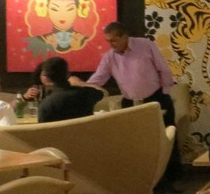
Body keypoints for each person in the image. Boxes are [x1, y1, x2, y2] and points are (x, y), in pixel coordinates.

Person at [76, 21, 180, 184]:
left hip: (156, 97)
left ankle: (173, 180)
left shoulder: (145, 45)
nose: (110, 44)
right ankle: (144, 181)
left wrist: (165, 93)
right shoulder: (109, 57)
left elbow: (163, 68)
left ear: (125, 37)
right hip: (129, 102)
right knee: (136, 142)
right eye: (108, 41)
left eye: (114, 40)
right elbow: (98, 79)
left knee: (166, 138)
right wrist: (80, 85)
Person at [35, 56, 104, 123]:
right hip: (86, 131)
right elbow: (102, 93)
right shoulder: (87, 94)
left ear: (46, 78)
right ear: (68, 74)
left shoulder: (46, 105)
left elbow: (44, 129)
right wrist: (79, 83)